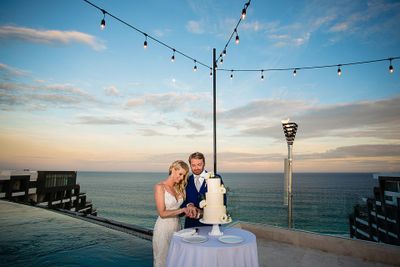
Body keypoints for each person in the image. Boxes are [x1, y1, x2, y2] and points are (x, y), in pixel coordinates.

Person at [152, 160, 196, 267]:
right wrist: (182, 210)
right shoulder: (160, 187)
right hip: (163, 229)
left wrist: (188, 211)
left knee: (177, 260)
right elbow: (162, 213)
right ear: (173, 170)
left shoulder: (179, 188)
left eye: (184, 175)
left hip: (177, 228)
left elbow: (180, 211)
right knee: (163, 261)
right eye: (180, 174)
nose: (181, 178)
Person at [181, 152, 226, 228]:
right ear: (190, 165)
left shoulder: (215, 178)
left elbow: (222, 201)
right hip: (190, 225)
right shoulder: (186, 180)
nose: (196, 168)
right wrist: (189, 205)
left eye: (199, 164)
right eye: (193, 165)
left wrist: (205, 212)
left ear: (204, 164)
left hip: (211, 225)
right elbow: (181, 201)